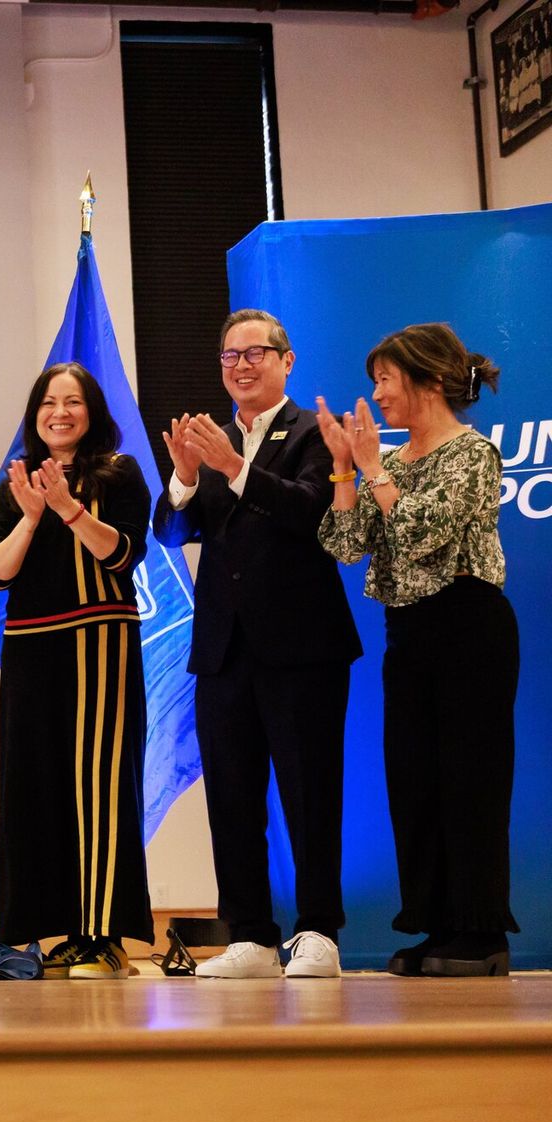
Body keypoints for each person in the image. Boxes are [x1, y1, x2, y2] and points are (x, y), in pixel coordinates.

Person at [155, 311, 361, 980]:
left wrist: (232, 466)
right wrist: (186, 477)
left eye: (255, 353)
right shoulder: (212, 441)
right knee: (232, 798)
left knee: (310, 791)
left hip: (303, 645)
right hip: (223, 648)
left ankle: (319, 930)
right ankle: (250, 934)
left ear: (286, 360)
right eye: (230, 356)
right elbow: (171, 534)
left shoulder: (315, 432)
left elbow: (312, 513)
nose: (241, 366)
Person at [318, 323, 516, 976]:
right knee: (415, 780)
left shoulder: (473, 453)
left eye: (385, 379)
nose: (376, 394)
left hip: (470, 624)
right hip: (408, 632)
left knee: (470, 779)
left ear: (429, 380)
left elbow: (422, 534)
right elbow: (346, 544)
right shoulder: (393, 462)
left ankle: (482, 934)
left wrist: (373, 468)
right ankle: (438, 924)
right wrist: (344, 467)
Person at [0, 362, 153, 979]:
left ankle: (104, 939)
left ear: (93, 411)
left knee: (99, 787)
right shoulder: (17, 482)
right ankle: (42, 933)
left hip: (99, 642)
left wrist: (69, 510)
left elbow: (123, 555)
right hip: (31, 648)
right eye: (49, 402)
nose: (60, 412)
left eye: (73, 401)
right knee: (32, 786)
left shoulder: (121, 472)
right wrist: (32, 515)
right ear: (35, 414)